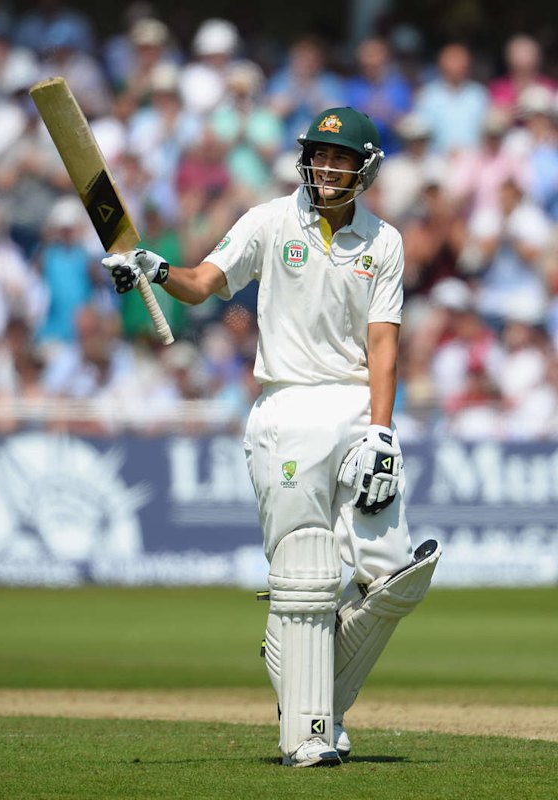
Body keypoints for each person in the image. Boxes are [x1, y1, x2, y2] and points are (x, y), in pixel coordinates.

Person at [101, 106, 442, 767]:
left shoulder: (384, 242)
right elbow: (203, 284)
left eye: (341, 157)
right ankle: (311, 733)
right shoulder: (268, 221)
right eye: (318, 153)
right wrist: (154, 267)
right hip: (285, 409)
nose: (326, 165)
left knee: (397, 574)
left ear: (365, 167)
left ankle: (303, 676)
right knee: (307, 572)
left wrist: (382, 431)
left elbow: (383, 345)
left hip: (353, 409)